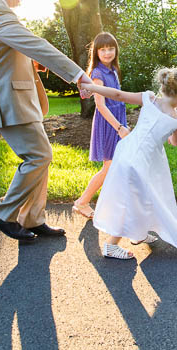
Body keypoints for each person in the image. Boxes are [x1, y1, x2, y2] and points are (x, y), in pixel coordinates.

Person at [0, 0, 93, 242]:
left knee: (41, 158)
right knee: (39, 157)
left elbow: (6, 51)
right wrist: (78, 74)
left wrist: (31, 64)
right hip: (9, 101)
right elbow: (34, 42)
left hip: (18, 99)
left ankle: (32, 217)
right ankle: (3, 214)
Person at [81, 67, 177, 259]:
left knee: (142, 196)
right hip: (142, 162)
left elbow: (117, 94)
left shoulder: (149, 99)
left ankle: (138, 233)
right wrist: (169, 132)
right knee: (133, 201)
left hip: (126, 152)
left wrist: (92, 87)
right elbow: (175, 142)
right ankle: (111, 245)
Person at [72, 32, 129, 220]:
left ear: (116, 50)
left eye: (110, 49)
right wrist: (119, 127)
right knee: (110, 167)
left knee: (114, 166)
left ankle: (104, 203)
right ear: (96, 52)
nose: (107, 53)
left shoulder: (112, 69)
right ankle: (82, 202)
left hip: (117, 120)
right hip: (109, 123)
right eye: (102, 50)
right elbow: (101, 105)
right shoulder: (97, 73)